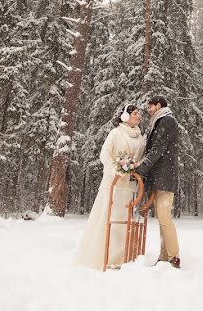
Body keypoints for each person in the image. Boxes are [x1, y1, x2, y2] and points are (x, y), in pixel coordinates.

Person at [74, 104, 145, 270]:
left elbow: (140, 158)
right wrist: (117, 168)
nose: (139, 116)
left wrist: (133, 166)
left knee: (124, 221)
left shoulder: (140, 137)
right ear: (125, 116)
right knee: (107, 218)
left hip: (129, 186)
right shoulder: (116, 133)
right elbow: (104, 154)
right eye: (135, 113)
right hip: (112, 183)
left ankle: (121, 258)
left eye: (139, 113)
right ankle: (100, 257)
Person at [135, 95, 181, 269]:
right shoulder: (158, 122)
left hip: (166, 176)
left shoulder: (167, 121)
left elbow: (158, 149)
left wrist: (142, 168)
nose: (148, 109)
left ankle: (174, 256)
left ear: (159, 105)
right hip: (160, 177)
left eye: (150, 106)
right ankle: (164, 255)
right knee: (162, 218)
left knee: (164, 217)